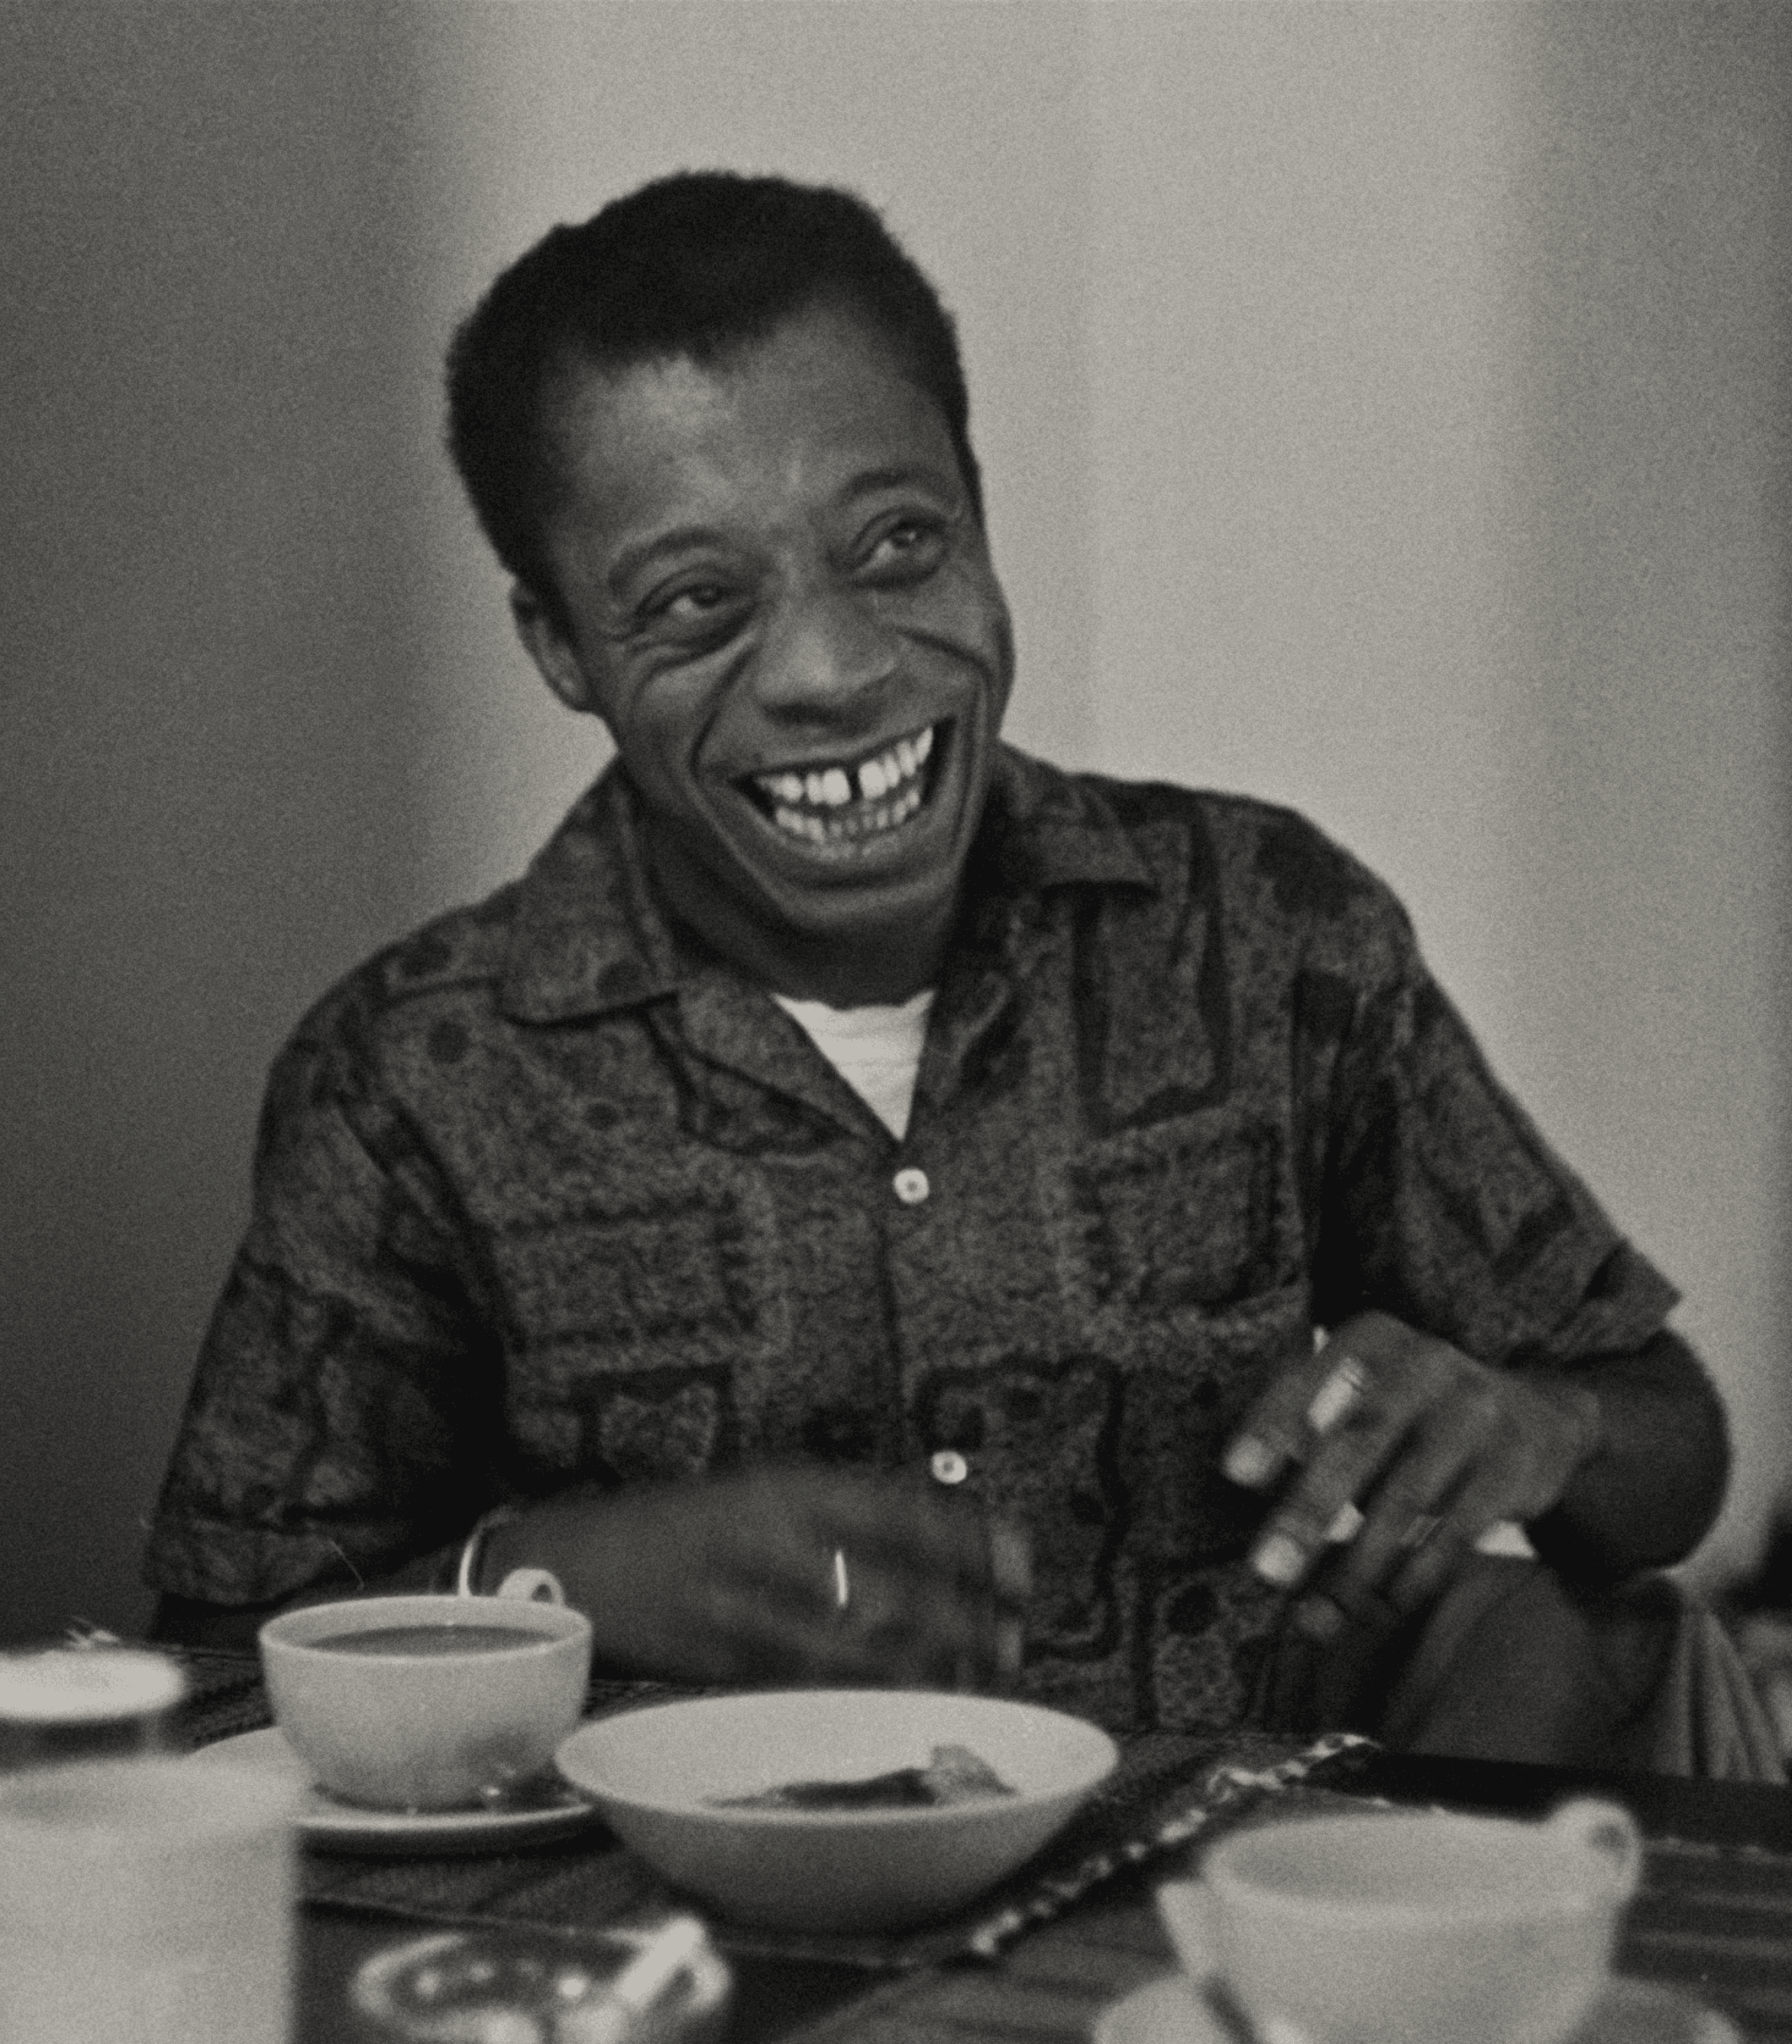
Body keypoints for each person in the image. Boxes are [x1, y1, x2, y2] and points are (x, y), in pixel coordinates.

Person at [144, 171, 1731, 1761]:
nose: (833, 670)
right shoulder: (416, 1073)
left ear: (978, 509)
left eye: (898, 545)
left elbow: (1673, 1454)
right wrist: (561, 1578)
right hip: (687, 1982)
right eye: (695, 604)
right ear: (559, 645)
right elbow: (222, 1665)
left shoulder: (1267, 931)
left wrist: (1541, 1430)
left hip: (1216, 1966)